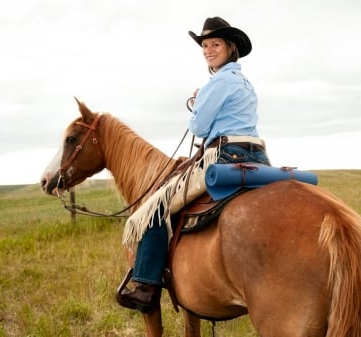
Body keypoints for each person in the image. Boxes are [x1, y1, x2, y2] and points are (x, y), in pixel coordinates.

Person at [116, 16, 270, 313]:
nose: (208, 50)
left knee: (154, 209)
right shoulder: (244, 82)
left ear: (230, 48)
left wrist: (199, 102)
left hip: (225, 156)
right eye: (205, 45)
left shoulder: (219, 81)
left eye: (215, 44)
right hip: (257, 158)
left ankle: (146, 286)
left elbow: (199, 127)